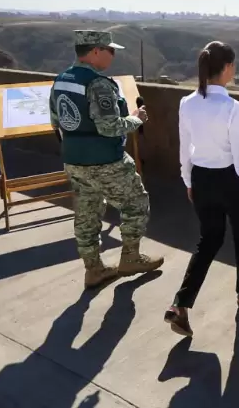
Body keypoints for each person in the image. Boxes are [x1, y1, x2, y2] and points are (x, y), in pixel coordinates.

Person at [164, 41, 239, 337]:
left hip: (201, 178)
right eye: (233, 65)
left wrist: (188, 180)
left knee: (208, 240)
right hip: (231, 180)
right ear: (227, 68)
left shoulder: (187, 102)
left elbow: (186, 147)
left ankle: (181, 303)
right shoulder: (232, 107)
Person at [50, 30, 164, 290]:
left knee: (87, 213)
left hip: (74, 160)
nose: (113, 55)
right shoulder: (98, 84)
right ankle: (131, 258)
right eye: (110, 50)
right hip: (105, 160)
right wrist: (137, 119)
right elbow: (109, 127)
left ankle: (93, 269)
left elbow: (56, 122)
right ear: (95, 51)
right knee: (136, 203)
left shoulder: (61, 81)